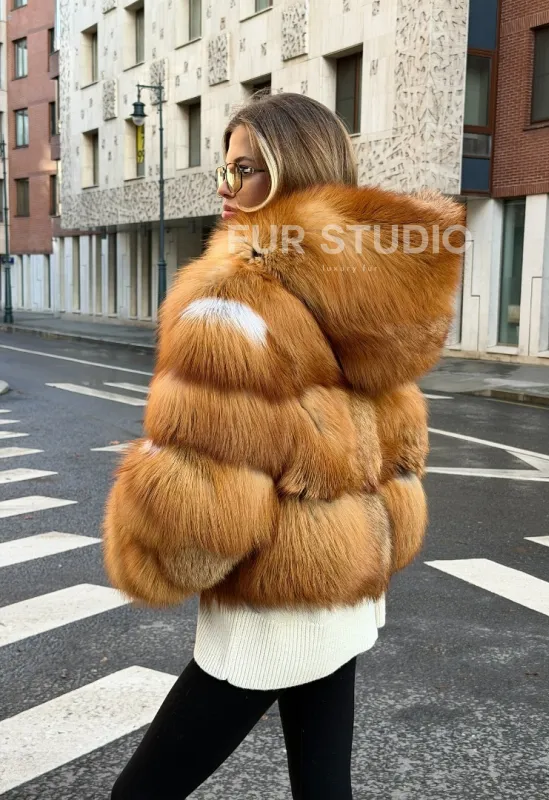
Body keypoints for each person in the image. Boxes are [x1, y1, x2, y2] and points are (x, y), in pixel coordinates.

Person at [105, 91, 464, 800]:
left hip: (271, 603)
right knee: (323, 788)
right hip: (345, 591)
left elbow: (203, 504)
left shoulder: (233, 295)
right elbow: (399, 444)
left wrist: (144, 544)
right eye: (225, 169)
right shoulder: (373, 292)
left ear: (292, 174)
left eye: (243, 169)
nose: (224, 187)